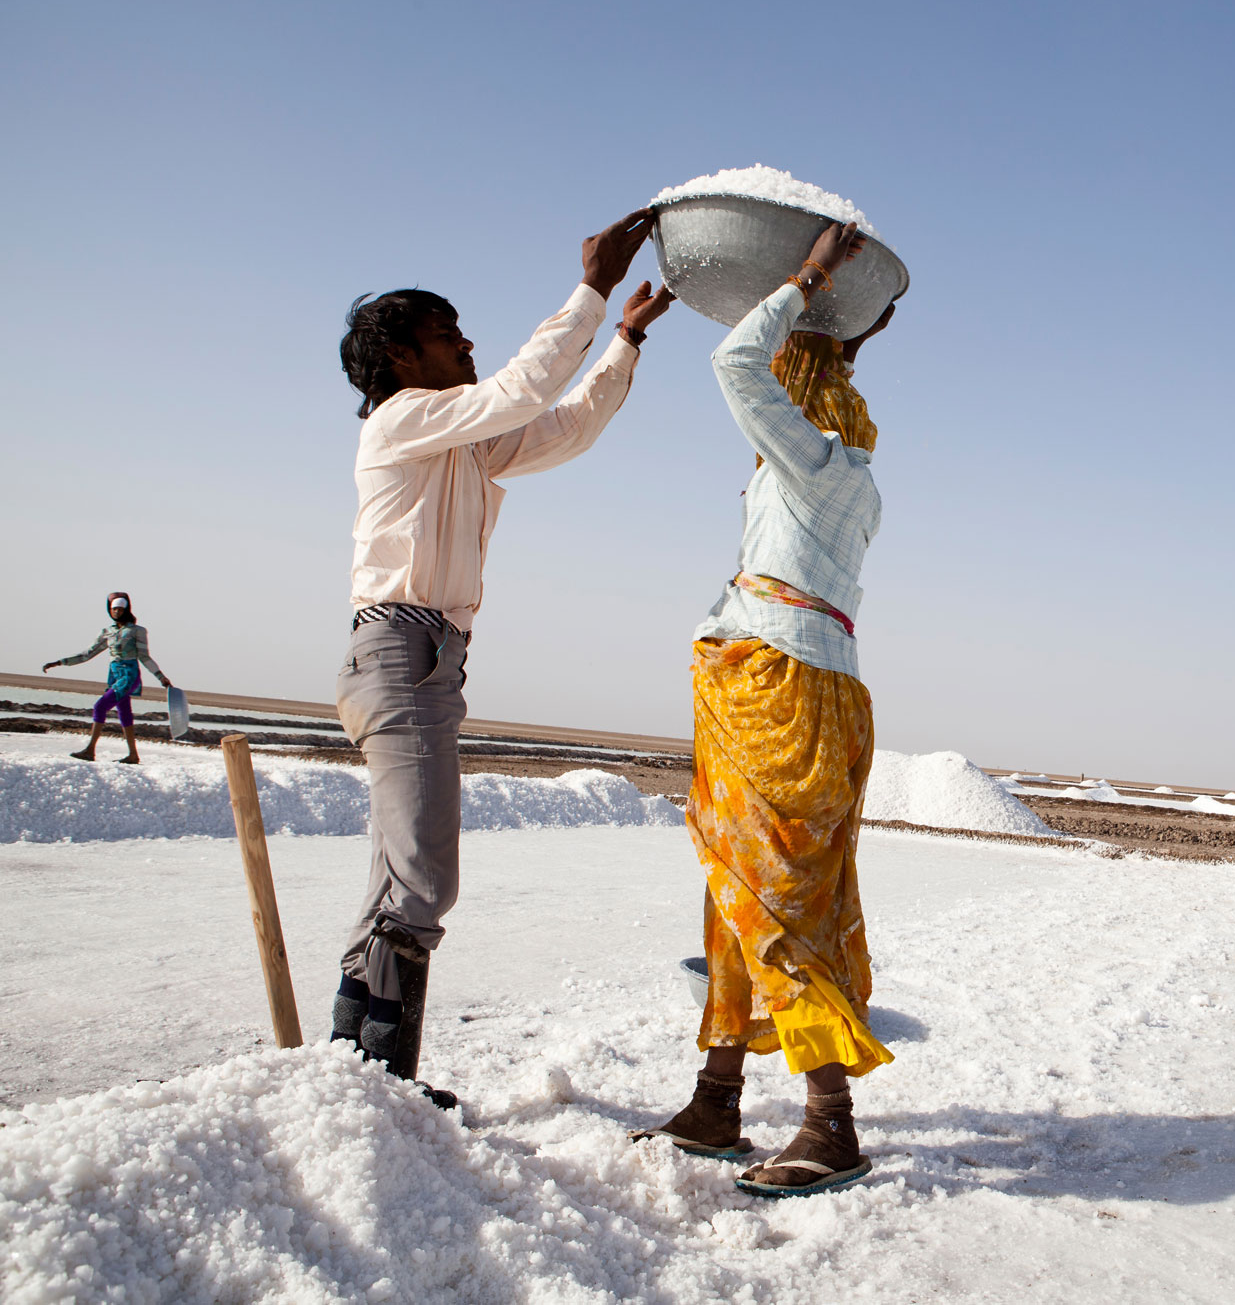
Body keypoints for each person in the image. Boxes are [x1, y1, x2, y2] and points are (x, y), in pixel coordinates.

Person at [331, 207, 673, 1108]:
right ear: (403, 359)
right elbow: (523, 389)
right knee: (425, 876)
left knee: (399, 874)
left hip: (432, 658)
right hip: (399, 649)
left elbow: (562, 427)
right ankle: (381, 1076)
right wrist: (592, 287)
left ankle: (352, 1072)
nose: (467, 342)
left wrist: (626, 341)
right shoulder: (404, 419)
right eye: (448, 335)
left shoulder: (462, 439)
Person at [631, 221, 898, 1198]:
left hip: (779, 691)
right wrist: (839, 340)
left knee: (773, 900)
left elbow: (732, 359)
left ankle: (830, 1121)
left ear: (799, 398)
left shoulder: (808, 464)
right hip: (803, 683)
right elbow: (792, 388)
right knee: (740, 888)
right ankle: (716, 1095)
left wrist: (809, 278)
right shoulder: (839, 476)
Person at [43, 591, 174, 764]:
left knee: (100, 706)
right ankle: (133, 755)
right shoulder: (107, 632)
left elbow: (144, 656)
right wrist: (60, 662)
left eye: (120, 609)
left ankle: (90, 750)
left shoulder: (137, 631)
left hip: (128, 674)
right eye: (114, 609)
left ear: (126, 609)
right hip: (114, 675)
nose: (117, 612)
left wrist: (161, 677)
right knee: (124, 713)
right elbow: (87, 654)